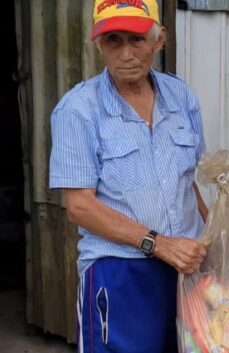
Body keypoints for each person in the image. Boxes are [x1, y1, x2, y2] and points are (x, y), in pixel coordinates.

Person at [49, 1, 208, 351]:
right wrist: (159, 244)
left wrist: (216, 242)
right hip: (119, 272)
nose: (125, 54)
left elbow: (188, 180)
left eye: (136, 40)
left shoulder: (181, 97)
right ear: (98, 44)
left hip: (186, 269)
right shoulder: (78, 110)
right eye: (113, 40)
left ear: (159, 39)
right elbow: (80, 207)